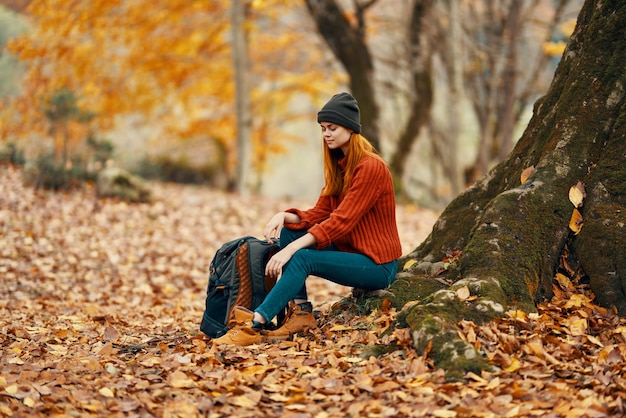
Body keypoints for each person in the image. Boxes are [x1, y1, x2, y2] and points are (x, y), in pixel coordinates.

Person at [213, 92, 402, 346]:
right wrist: (284, 216)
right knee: (291, 231)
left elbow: (341, 222)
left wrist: (289, 250)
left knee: (301, 255)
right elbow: (319, 214)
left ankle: (254, 323)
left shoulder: (371, 168)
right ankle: (301, 313)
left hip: (378, 264)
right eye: (323, 128)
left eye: (332, 128)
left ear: (350, 128)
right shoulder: (340, 167)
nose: (326, 134)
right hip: (353, 251)